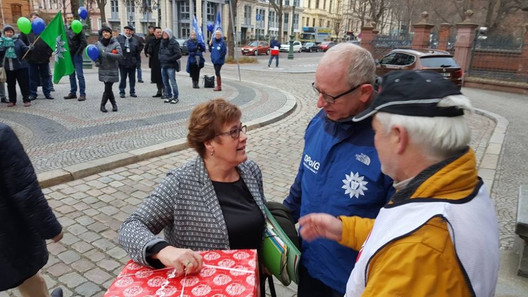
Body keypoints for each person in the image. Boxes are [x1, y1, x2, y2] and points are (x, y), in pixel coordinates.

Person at [299, 70, 500, 297]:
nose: (374, 141)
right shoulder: (460, 189)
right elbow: (401, 228)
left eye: (375, 131)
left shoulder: (418, 251)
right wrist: (345, 229)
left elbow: (409, 241)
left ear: (398, 137)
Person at [118, 98, 268, 294]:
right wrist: (163, 250)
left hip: (251, 286)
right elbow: (130, 227)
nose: (243, 137)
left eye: (241, 128)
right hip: (205, 289)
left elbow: (261, 221)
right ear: (209, 143)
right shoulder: (180, 183)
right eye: (233, 132)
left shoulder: (250, 171)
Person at [282, 43, 394, 297]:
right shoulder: (318, 124)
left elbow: (398, 230)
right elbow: (300, 189)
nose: (319, 103)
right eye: (317, 91)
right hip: (309, 268)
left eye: (330, 96)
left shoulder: (389, 143)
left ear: (364, 92)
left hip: (353, 281)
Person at [0, 123, 64, 297]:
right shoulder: (1, 134)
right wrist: (52, 228)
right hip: (9, 238)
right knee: (30, 280)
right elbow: (26, 190)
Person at [20, 13, 53, 101]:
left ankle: (47, 93)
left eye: (37, 18)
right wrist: (27, 49)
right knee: (32, 77)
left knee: (45, 77)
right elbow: (21, 43)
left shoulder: (45, 31)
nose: (35, 19)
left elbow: (51, 44)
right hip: (31, 59)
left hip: (44, 58)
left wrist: (48, 54)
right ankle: (33, 93)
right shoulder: (26, 31)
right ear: (30, 19)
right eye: (34, 18)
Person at [0, 25, 31, 107]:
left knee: (23, 84)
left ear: (13, 33)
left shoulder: (18, 41)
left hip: (20, 66)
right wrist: (4, 46)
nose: (9, 33)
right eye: (7, 32)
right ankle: (12, 100)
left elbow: (24, 49)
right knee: (10, 85)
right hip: (8, 67)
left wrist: (29, 48)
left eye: (10, 32)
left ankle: (26, 100)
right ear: (4, 33)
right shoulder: (2, 42)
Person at [95, 26, 123, 112]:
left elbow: (120, 56)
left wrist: (108, 54)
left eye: (107, 32)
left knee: (107, 87)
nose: (105, 34)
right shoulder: (98, 44)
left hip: (112, 69)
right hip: (103, 69)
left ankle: (102, 105)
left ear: (110, 34)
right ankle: (114, 105)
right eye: (103, 32)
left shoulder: (116, 43)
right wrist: (97, 61)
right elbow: (96, 55)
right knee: (108, 89)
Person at [64, 13, 87, 101]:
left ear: (73, 18)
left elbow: (84, 42)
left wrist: (78, 52)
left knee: (80, 75)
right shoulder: (64, 28)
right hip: (68, 54)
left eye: (71, 18)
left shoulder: (77, 27)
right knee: (71, 74)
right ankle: (73, 92)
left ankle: (82, 94)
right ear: (66, 19)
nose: (70, 19)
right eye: (68, 18)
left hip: (76, 54)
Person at [116, 25, 140, 98]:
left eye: (129, 31)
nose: (128, 32)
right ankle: (122, 91)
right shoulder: (119, 39)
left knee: (132, 78)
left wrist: (138, 63)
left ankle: (132, 91)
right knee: (123, 78)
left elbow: (137, 53)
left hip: (132, 62)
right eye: (127, 30)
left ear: (132, 32)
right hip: (122, 62)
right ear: (124, 31)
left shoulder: (135, 40)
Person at [158, 28, 181, 104]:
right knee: (165, 82)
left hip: (171, 65)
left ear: (169, 34)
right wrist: (160, 58)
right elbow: (160, 52)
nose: (164, 35)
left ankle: (175, 97)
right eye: (163, 34)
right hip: (163, 65)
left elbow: (178, 54)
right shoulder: (162, 42)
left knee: (172, 82)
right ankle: (168, 96)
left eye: (166, 33)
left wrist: (170, 59)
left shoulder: (174, 43)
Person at [146, 27, 163, 97]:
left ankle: (165, 92)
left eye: (160, 32)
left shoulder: (163, 40)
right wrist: (147, 53)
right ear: (154, 33)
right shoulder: (151, 39)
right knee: (156, 77)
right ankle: (159, 91)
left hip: (162, 61)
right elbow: (146, 47)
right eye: (158, 32)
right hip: (154, 60)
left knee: (163, 77)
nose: (159, 33)